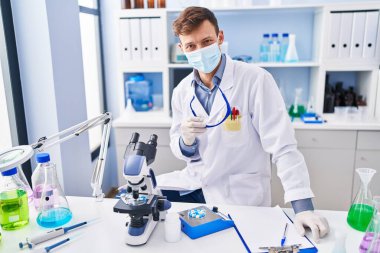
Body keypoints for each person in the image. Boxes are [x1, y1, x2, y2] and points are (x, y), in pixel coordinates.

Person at [157, 6, 329, 242]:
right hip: (199, 192)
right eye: (191, 46)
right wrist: (185, 140)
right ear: (181, 49)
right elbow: (180, 150)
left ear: (220, 38)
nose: (200, 50)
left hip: (241, 198)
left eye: (207, 41)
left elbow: (283, 146)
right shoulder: (181, 92)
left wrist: (303, 208)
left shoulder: (255, 79)